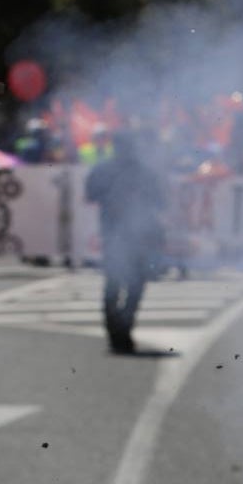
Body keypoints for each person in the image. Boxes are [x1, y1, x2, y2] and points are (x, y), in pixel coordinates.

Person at [85, 131, 166, 354]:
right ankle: (121, 329)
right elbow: (160, 202)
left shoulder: (105, 169)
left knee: (118, 284)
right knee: (132, 285)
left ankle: (117, 331)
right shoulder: (144, 172)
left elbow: (90, 195)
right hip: (130, 236)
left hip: (120, 235)